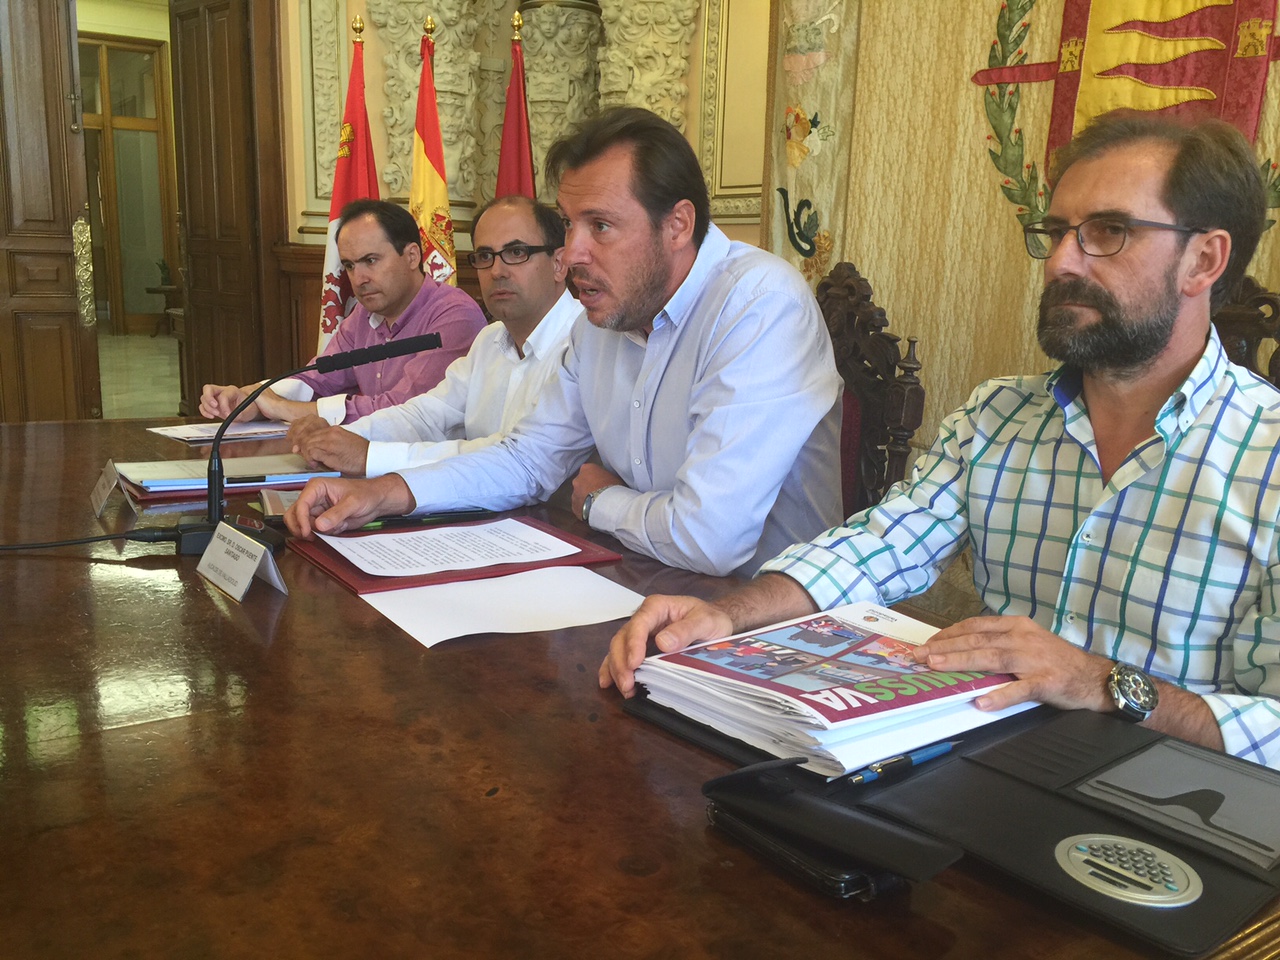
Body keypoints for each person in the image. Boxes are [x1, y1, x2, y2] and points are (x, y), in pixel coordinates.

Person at [602, 110, 1280, 770]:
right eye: (1057, 232)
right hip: (993, 768)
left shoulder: (1267, 456)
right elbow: (877, 546)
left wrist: (1100, 684)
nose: (1061, 261)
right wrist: (728, 616)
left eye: (1108, 232)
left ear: (1203, 260)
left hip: (1170, 802)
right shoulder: (1000, 415)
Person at [285, 106, 843, 578]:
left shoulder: (758, 305)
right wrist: (385, 492)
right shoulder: (599, 324)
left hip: (766, 625)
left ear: (677, 225)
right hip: (643, 582)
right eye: (570, 223)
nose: (573, 253)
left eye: (600, 225)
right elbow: (527, 461)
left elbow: (709, 538)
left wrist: (599, 500)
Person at [286, 196, 581, 477]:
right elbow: (426, 416)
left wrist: (369, 455)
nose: (496, 271)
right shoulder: (490, 340)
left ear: (559, 263)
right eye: (485, 256)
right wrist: (338, 437)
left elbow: (515, 459)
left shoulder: (585, 343)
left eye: (516, 253)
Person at [198, 199, 485, 426]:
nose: (359, 279)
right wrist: (252, 397)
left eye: (370, 261)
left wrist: (282, 408)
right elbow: (317, 378)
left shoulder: (454, 315)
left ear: (412, 256)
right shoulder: (363, 315)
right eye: (349, 265)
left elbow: (403, 410)